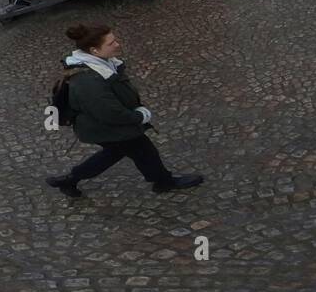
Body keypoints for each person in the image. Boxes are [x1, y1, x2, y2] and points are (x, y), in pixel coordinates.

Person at [47, 22, 204, 196]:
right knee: (143, 149)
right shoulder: (89, 80)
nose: (117, 45)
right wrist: (139, 116)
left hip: (103, 125)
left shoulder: (102, 65)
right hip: (104, 126)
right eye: (111, 43)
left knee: (117, 152)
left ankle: (69, 180)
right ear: (94, 51)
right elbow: (109, 112)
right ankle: (163, 182)